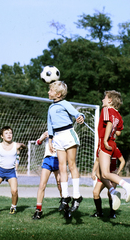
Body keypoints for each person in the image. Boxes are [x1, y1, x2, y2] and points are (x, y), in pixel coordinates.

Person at [47, 81, 85, 214]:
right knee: (61, 167)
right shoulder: (50, 108)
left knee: (72, 165)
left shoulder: (65, 104)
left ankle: (77, 195)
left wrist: (81, 117)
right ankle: (65, 196)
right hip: (57, 138)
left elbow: (77, 114)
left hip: (68, 134)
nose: (48, 92)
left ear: (58, 94)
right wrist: (51, 139)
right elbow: (50, 124)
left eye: (50, 90)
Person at [97, 90, 130, 211]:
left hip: (106, 142)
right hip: (112, 143)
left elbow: (109, 124)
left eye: (104, 98)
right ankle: (113, 192)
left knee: (105, 174)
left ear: (110, 100)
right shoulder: (118, 115)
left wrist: (104, 140)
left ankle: (126, 186)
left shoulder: (106, 110)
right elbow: (118, 132)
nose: (102, 99)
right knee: (99, 174)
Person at [0, 126, 26, 214]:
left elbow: (24, 147)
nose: (9, 135)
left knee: (14, 191)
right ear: (2, 136)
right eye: (6, 133)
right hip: (0, 171)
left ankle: (13, 207)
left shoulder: (16, 145)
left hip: (11, 171)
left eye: (10, 133)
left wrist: (22, 145)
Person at [32, 131, 62, 220]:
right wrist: (42, 138)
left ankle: (66, 206)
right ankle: (38, 210)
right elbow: (37, 143)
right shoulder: (48, 132)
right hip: (48, 160)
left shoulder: (62, 132)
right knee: (42, 185)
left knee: (60, 185)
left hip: (58, 159)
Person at [90, 146, 125, 219]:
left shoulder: (115, 149)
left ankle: (112, 213)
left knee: (110, 193)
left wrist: (117, 172)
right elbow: (97, 160)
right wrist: (93, 171)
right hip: (102, 175)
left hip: (111, 175)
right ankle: (99, 212)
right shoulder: (100, 148)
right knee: (95, 192)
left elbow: (123, 161)